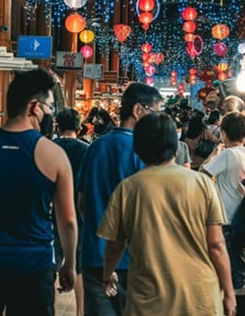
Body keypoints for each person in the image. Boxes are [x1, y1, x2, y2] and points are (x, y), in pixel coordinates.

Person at [97, 113, 236, 316]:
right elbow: (216, 245)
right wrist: (229, 293)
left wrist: (107, 276)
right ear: (175, 144)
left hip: (149, 302)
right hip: (200, 299)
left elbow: (115, 245)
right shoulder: (202, 183)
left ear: (139, 146)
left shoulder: (128, 189)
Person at [0, 68, 77, 315]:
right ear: (34, 107)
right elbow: (67, 221)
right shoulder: (54, 155)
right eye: (49, 107)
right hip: (34, 265)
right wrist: (69, 264)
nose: (51, 114)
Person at [77, 82, 164, 316]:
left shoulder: (95, 147)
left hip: (95, 256)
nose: (157, 120)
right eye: (154, 112)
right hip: (135, 260)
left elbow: (82, 202)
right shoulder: (144, 152)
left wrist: (99, 229)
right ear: (138, 110)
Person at [201, 111, 245, 289]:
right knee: (239, 264)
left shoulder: (227, 154)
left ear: (223, 133)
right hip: (243, 218)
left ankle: (233, 305)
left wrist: (215, 153)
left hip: (227, 219)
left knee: (228, 269)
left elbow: (202, 174)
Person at [54, 107, 89, 316]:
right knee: (78, 265)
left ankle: (50, 307)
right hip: (78, 212)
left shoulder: (49, 147)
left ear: (58, 125)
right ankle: (81, 311)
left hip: (51, 212)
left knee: (52, 264)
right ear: (79, 126)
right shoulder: (86, 149)